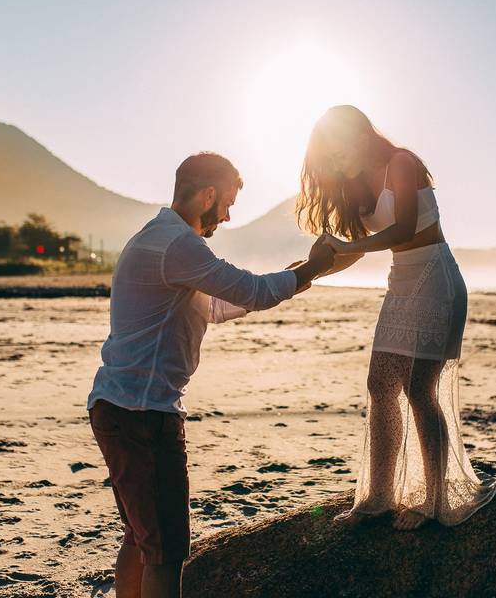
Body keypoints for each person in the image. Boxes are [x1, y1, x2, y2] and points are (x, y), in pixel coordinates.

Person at [88, 152, 335, 598]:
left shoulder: (158, 238)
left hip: (118, 405)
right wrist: (313, 269)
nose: (227, 215)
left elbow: (216, 305)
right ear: (207, 194)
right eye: (228, 203)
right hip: (144, 412)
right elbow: (252, 291)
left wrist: (299, 276)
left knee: (142, 537)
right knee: (165, 553)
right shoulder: (178, 244)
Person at [296, 106, 496, 530]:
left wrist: (345, 247)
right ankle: (379, 499)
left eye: (337, 148)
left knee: (419, 389)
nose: (334, 160)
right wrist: (309, 271)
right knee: (380, 384)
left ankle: (434, 500)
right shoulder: (353, 186)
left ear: (359, 135)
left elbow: (404, 229)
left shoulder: (401, 163)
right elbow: (354, 249)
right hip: (401, 283)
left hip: (435, 279)